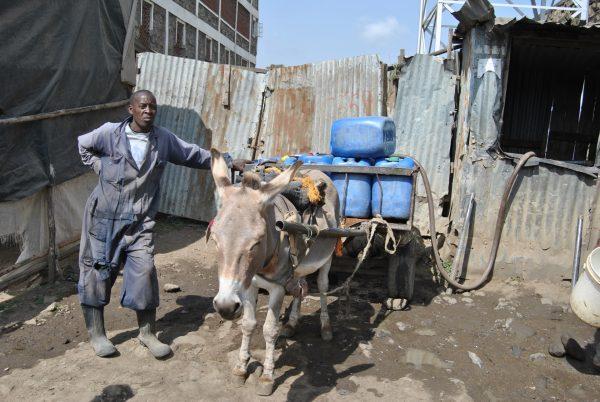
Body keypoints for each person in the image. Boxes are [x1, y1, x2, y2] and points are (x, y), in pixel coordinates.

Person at [77, 90, 246, 358]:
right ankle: (98, 335)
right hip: (104, 219)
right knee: (97, 273)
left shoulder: (162, 139)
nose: (148, 111)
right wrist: (100, 167)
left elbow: (193, 154)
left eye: (152, 107)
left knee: (144, 272)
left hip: (140, 221)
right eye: (143, 106)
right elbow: (83, 145)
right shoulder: (109, 133)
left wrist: (226, 161)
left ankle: (147, 334)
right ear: (130, 108)